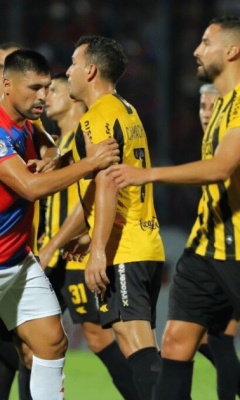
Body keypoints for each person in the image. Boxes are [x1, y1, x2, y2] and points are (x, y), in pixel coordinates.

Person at [0, 49, 120, 400]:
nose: (43, 96)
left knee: (52, 342)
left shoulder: (28, 122)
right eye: (34, 88)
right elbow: (30, 188)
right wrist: (90, 163)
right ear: (7, 86)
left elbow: (49, 150)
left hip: (17, 260)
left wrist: (53, 158)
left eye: (46, 87)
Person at [108, 17, 240, 400]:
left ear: (232, 50)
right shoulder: (220, 105)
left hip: (236, 251)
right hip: (204, 249)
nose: (197, 50)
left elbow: (221, 168)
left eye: (206, 43)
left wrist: (148, 174)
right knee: (175, 342)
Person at [53, 36, 165, 400]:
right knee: (134, 344)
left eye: (73, 63)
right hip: (145, 241)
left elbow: (107, 181)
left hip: (125, 247)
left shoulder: (96, 117)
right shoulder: (126, 109)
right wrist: (89, 235)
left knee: (138, 345)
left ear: (90, 71)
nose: (68, 71)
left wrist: (98, 249)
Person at [38, 74, 140, 400]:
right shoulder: (60, 144)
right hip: (55, 253)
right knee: (34, 337)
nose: (46, 96)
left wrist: (55, 243)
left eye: (53, 89)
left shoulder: (87, 138)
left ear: (73, 98)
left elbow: (88, 200)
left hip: (72, 256)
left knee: (99, 335)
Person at [193, 83, 240, 398]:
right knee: (210, 337)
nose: (206, 113)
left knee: (218, 337)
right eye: (202, 106)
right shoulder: (211, 144)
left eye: (213, 106)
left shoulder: (232, 143)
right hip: (219, 248)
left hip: (234, 252)